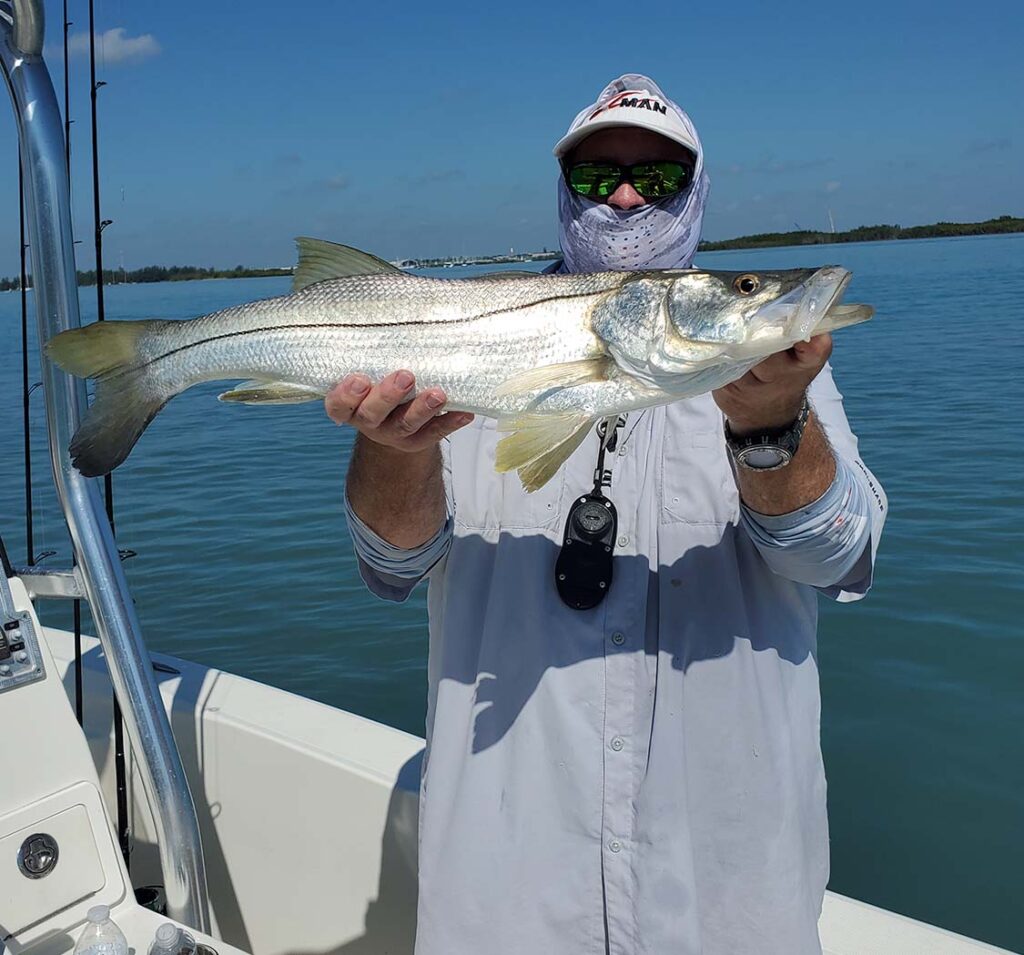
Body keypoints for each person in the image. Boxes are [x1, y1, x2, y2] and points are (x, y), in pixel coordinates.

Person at [326, 74, 887, 955]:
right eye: (597, 178)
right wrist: (395, 448)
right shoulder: (468, 342)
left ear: (694, 192)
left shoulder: (780, 372)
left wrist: (771, 426)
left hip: (723, 894)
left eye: (656, 178)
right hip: (510, 891)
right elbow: (391, 565)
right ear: (564, 192)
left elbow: (838, 556)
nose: (625, 195)